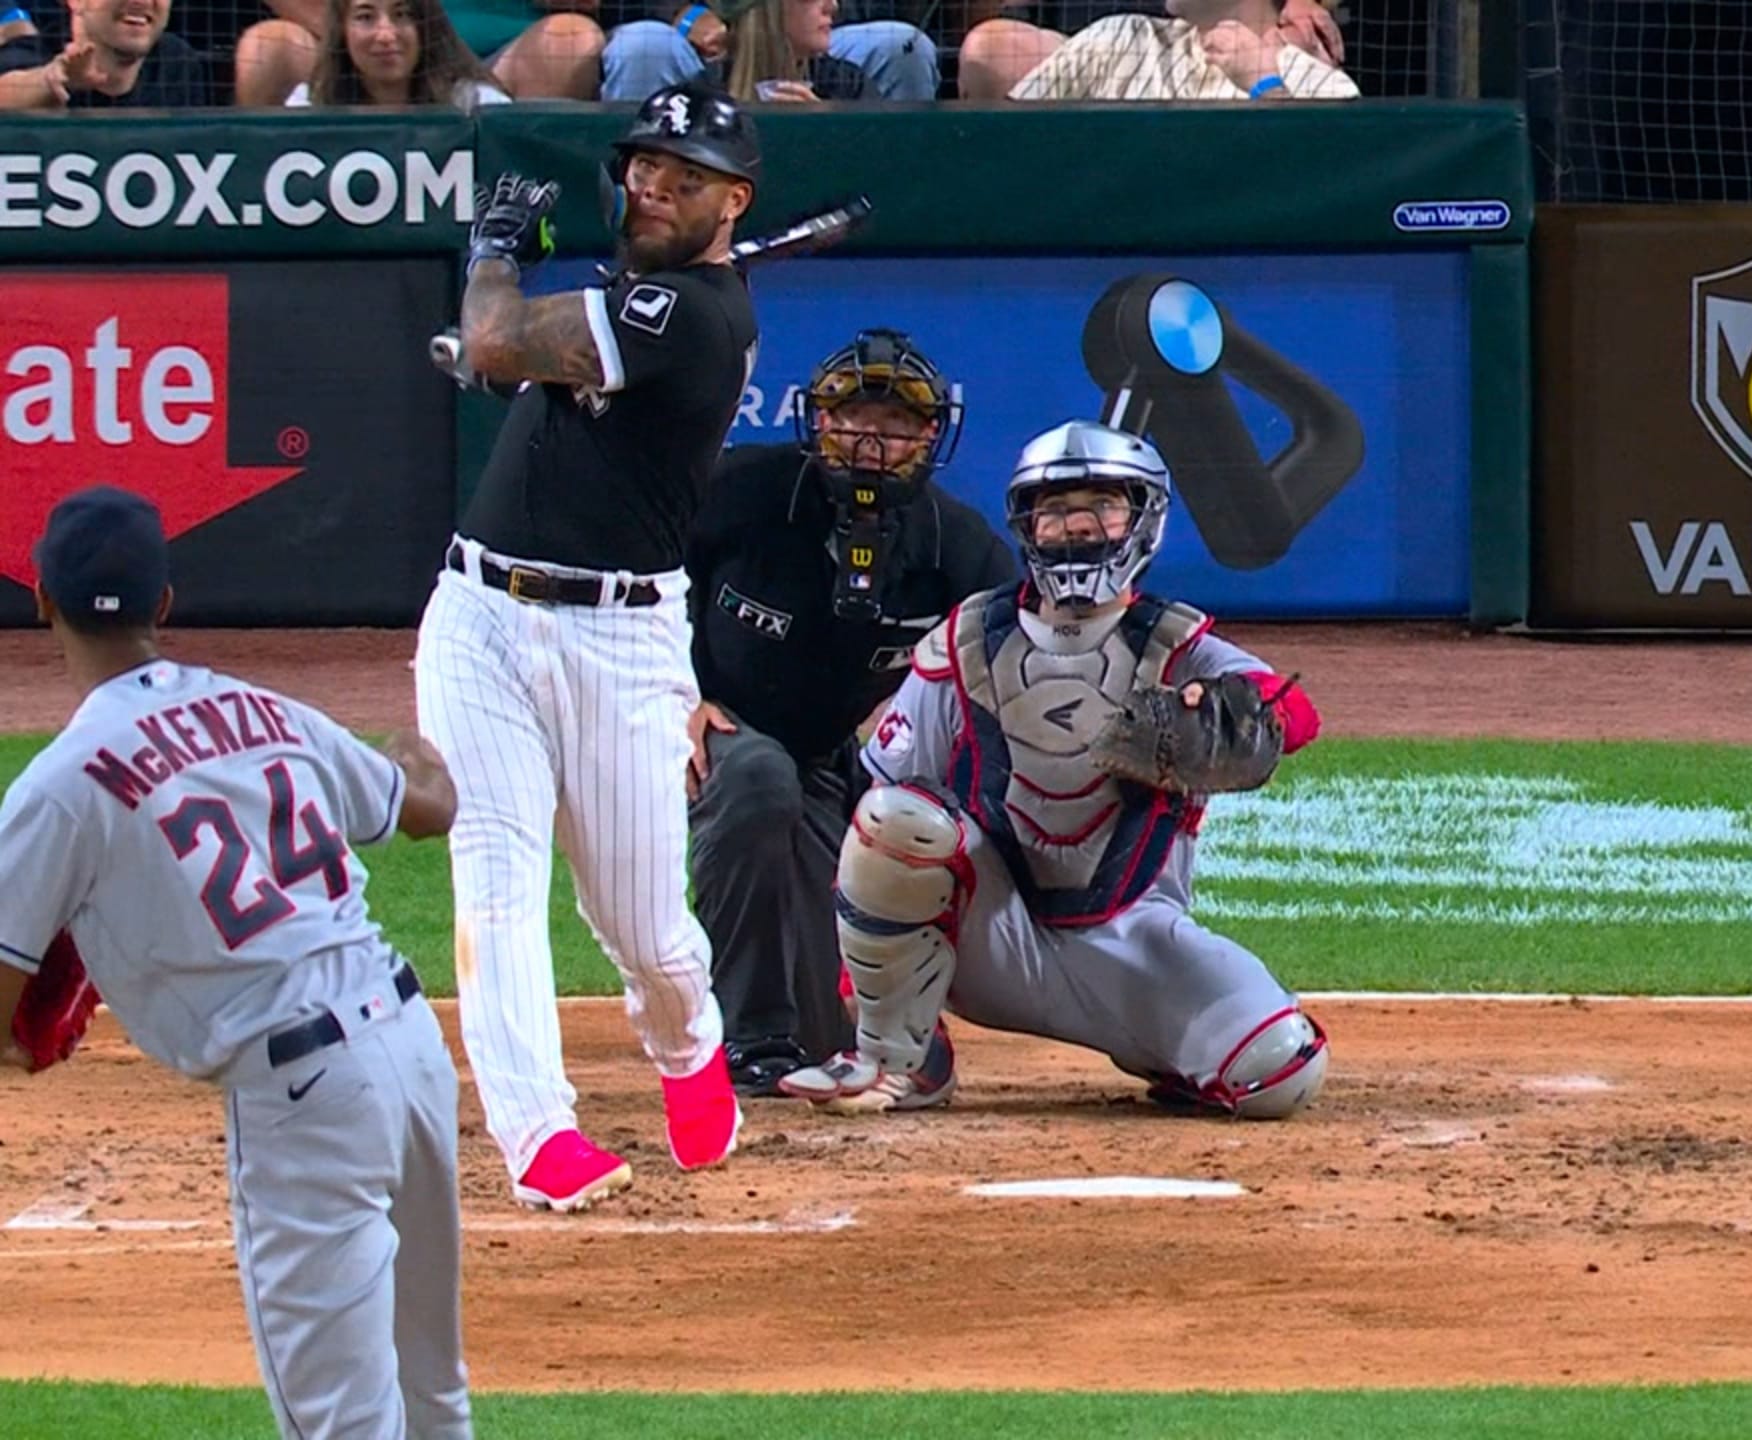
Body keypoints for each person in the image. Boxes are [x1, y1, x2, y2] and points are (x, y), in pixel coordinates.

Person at [0, 487, 471, 1439]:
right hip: (415, 1055)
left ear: (40, 599)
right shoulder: (264, 709)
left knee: (341, 1425)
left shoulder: (59, 786)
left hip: (306, 1101)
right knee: (433, 1400)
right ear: (164, 604)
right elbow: (426, 811)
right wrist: (414, 756)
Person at [417, 77, 761, 1213]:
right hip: (476, 615)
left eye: (687, 178)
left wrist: (494, 254)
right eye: (645, 168)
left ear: (734, 201)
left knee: (644, 924)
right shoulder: (634, 293)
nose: (653, 186)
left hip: (619, 640)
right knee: (496, 880)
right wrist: (499, 338)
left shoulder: (701, 319)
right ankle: (538, 1135)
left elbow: (500, 337)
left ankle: (687, 1042)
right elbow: (509, 351)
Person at [778, 421, 1330, 1120]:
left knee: (1281, 1073)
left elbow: (1295, 714)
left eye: (1102, 505)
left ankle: (1161, 1047)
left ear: (1143, 517)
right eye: (1054, 508)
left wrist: (1238, 712)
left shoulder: (1177, 641)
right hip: (993, 933)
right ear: (1026, 524)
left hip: (1133, 937)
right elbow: (879, 797)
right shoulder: (968, 637)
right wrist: (857, 978)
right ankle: (898, 1060)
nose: (1076, 525)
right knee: (896, 821)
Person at [686, 331, 1018, 1095]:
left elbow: (1014, 659)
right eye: (851, 418)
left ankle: (790, 1021)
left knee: (832, 1035)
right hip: (699, 731)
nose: (872, 441)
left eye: (897, 424)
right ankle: (746, 1040)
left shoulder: (953, 545)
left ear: (931, 437)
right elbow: (643, 575)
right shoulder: (743, 492)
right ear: (818, 423)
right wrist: (668, 693)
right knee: (759, 778)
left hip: (822, 757)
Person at [959, 0, 1351, 100]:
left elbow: (1321, 207)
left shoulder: (1320, 89)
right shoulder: (1117, 41)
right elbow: (1001, 163)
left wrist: (1267, 85)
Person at [600, 0, 935, 100]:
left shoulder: (849, 78)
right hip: (679, 35)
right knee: (643, 48)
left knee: (899, 43)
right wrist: (684, 15)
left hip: (818, 29)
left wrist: (824, 132)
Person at [283, 0, 511, 106]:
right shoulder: (309, 104)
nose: (386, 35)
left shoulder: (476, 103)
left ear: (424, 26)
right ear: (342, 31)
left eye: (401, 15)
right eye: (365, 17)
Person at [0, 0, 211, 108]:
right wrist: (55, 80)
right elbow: (7, 90)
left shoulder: (178, 63)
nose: (142, 1)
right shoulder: (29, 53)